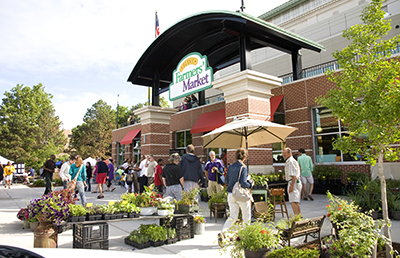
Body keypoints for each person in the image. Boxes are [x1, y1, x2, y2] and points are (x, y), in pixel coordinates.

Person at [219, 148, 253, 247]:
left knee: (233, 216)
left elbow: (226, 181)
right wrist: (250, 184)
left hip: (231, 194)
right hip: (240, 194)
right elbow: (243, 183)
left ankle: (223, 232)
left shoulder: (230, 166)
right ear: (245, 157)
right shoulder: (243, 167)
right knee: (246, 216)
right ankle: (245, 237)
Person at [282, 147, 302, 216]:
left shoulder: (290, 161)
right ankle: (299, 216)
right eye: (283, 153)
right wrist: (286, 176)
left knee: (293, 201)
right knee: (295, 201)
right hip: (294, 181)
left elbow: (293, 175)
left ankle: (297, 216)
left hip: (293, 182)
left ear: (290, 153)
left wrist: (292, 186)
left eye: (285, 153)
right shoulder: (291, 161)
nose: (284, 154)